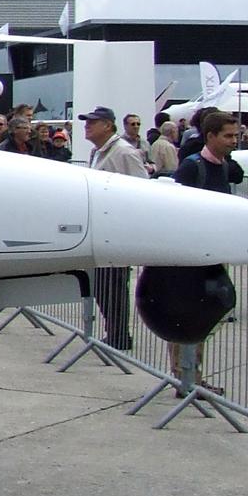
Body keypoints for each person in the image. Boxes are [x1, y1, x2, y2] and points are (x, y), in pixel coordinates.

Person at [170, 111, 243, 392]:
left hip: (214, 254)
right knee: (188, 316)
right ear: (210, 136)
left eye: (235, 136)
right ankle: (185, 377)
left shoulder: (223, 166)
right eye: (227, 136)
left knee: (208, 315)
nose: (233, 141)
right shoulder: (192, 167)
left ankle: (191, 376)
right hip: (192, 256)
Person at [82, 106, 145, 350]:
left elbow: (141, 188)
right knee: (102, 285)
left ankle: (119, 333)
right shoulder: (97, 152)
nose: (87, 126)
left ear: (108, 125)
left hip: (116, 228)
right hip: (101, 227)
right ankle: (114, 330)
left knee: (113, 284)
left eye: (92, 122)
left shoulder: (124, 153)